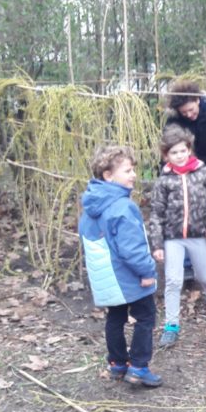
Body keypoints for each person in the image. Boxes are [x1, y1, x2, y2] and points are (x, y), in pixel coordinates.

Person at [78, 145, 162, 387]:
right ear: (108, 175)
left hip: (106, 277)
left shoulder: (92, 206)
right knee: (145, 317)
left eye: (133, 169)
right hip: (128, 278)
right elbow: (132, 248)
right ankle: (138, 367)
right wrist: (147, 272)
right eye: (127, 170)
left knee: (115, 317)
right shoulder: (122, 207)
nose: (134, 175)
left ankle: (116, 363)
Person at [148, 125, 206, 347]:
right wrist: (157, 244)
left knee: (205, 276)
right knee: (173, 280)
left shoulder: (204, 173)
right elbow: (155, 213)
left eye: (183, 151)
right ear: (167, 156)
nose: (180, 156)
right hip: (172, 238)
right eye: (174, 153)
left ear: (189, 149)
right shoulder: (164, 181)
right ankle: (171, 325)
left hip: (197, 235)